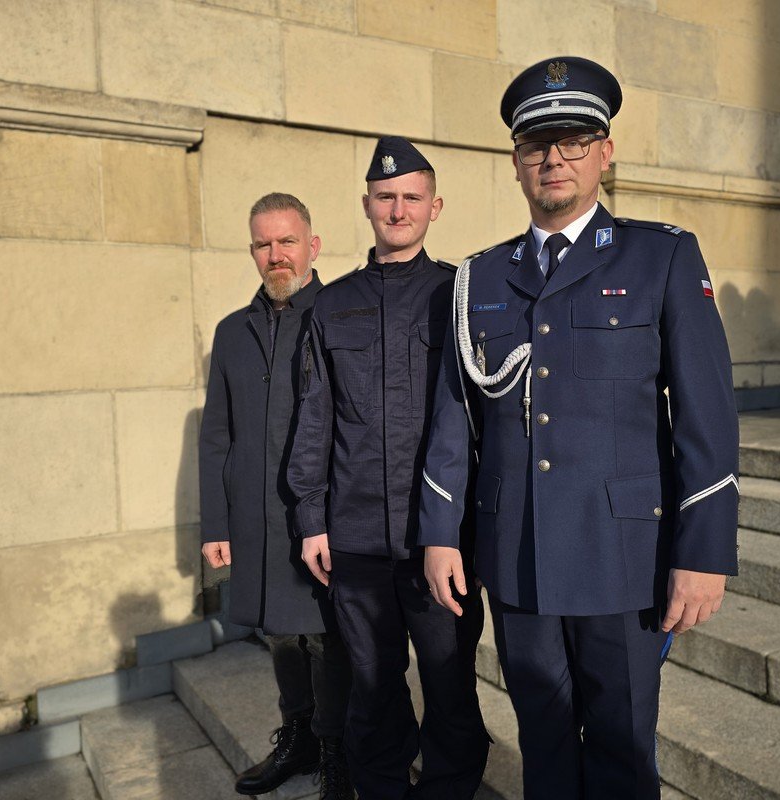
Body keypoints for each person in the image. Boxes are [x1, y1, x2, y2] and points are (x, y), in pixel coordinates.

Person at [418, 56, 740, 799]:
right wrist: (440, 531)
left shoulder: (661, 255)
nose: (553, 159)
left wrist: (704, 551)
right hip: (518, 554)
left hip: (623, 554)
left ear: (605, 151)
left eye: (572, 140)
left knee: (623, 743)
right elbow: (453, 416)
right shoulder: (482, 277)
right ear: (515, 162)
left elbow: (706, 414)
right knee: (544, 743)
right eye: (536, 145)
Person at [287, 138, 489, 800]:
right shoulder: (330, 305)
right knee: (372, 692)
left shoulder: (462, 296)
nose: (397, 210)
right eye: (385, 198)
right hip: (356, 540)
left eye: (410, 198)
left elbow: (483, 422)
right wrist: (312, 518)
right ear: (367, 206)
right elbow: (313, 417)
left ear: (434, 207)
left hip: (440, 541)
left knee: (450, 687)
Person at [199, 192, 353, 800]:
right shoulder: (230, 332)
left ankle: (338, 748)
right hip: (255, 518)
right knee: (280, 634)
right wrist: (216, 522)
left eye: (287, 241)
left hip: (322, 516)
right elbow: (217, 437)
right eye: (264, 244)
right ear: (252, 252)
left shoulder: (341, 315)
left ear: (312, 245)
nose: (276, 255)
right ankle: (299, 737)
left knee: (325, 635)